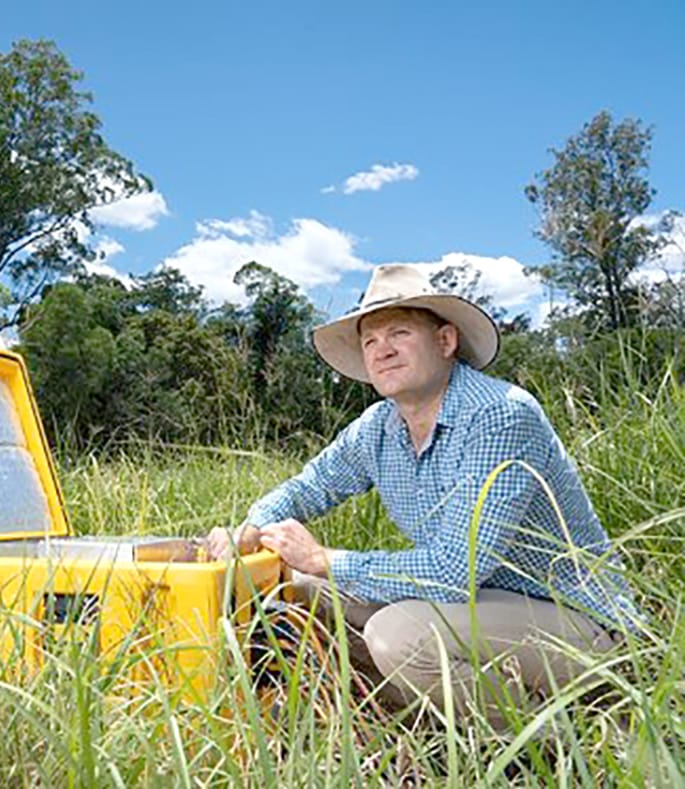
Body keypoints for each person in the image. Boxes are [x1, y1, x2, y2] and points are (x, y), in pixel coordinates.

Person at [207, 264, 643, 726]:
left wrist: (326, 559)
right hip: (482, 611)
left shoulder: (499, 415)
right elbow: (310, 486)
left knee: (400, 635)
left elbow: (456, 571)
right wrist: (252, 528)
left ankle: (559, 744)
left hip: (581, 626)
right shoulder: (379, 426)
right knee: (303, 591)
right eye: (370, 341)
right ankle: (429, 723)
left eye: (399, 332)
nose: (382, 350)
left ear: (446, 341)